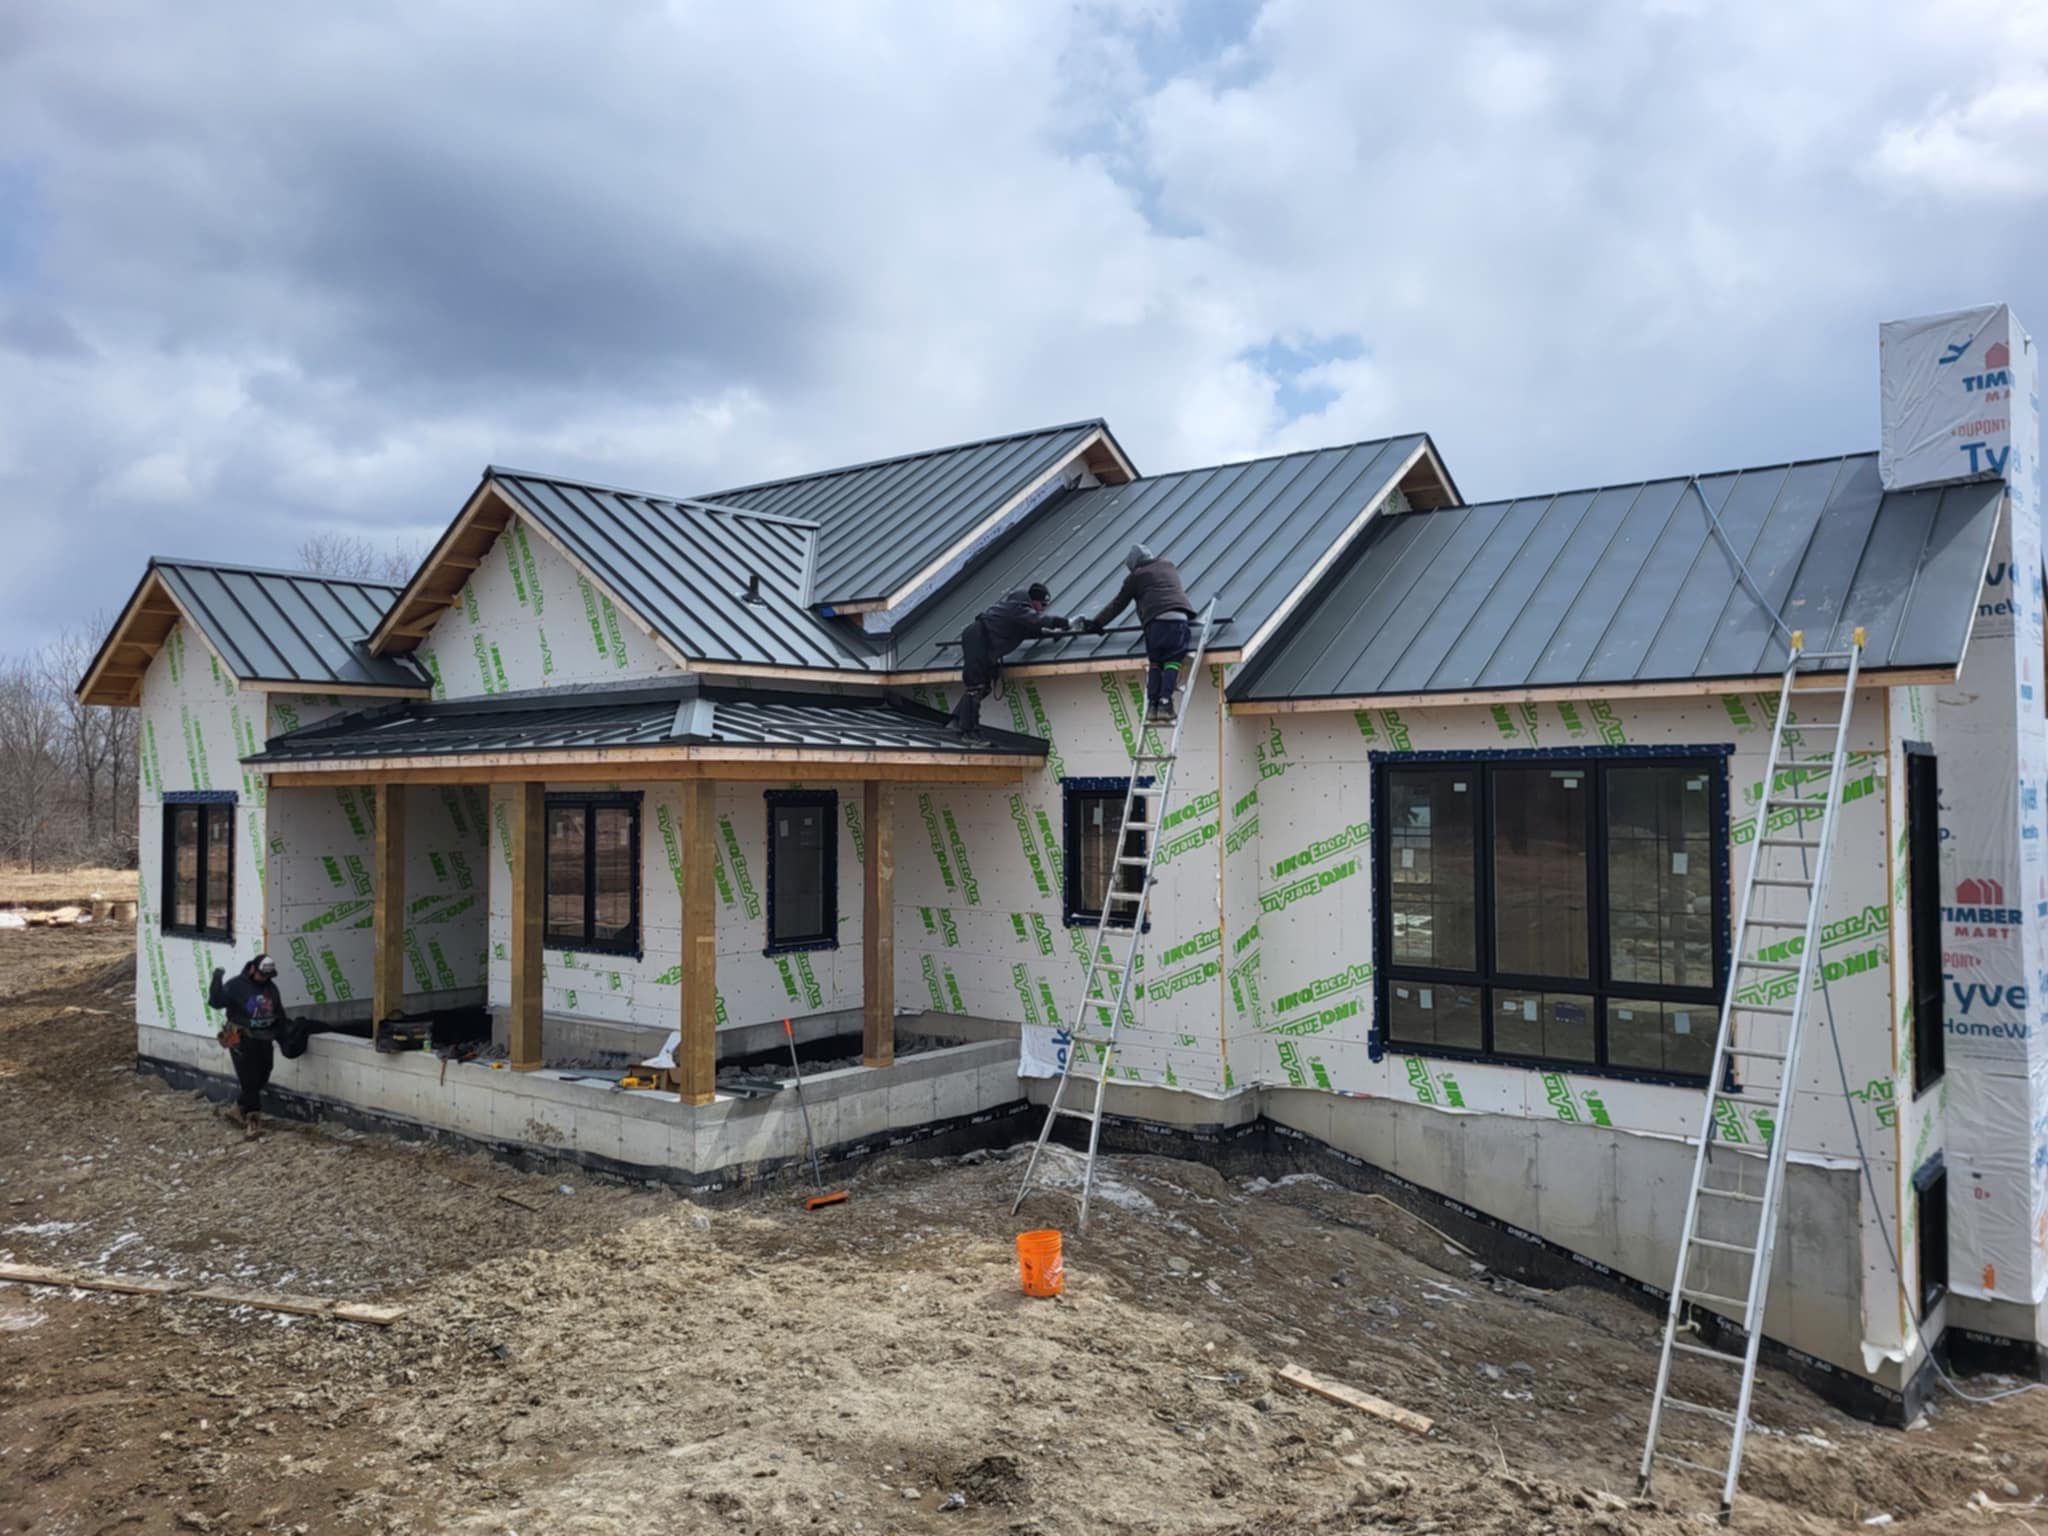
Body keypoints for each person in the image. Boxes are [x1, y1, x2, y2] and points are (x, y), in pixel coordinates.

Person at [1079, 544, 1197, 725]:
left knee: (1156, 663)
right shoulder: (1168, 566)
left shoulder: (1135, 578)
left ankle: (1153, 707)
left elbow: (1117, 605)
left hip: (1155, 623)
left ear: (1134, 564)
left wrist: (1096, 624)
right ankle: (1165, 703)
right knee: (1172, 661)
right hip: (1177, 619)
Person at [947, 582, 1070, 743]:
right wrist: (1064, 622)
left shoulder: (1020, 613)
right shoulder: (1018, 607)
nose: (1044, 608)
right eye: (1042, 604)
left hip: (984, 643)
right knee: (976, 686)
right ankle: (969, 733)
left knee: (983, 688)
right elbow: (1038, 620)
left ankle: (956, 721)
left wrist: (1054, 633)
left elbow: (1035, 629)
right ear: (1033, 601)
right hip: (978, 638)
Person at [208, 953, 291, 1139]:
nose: (264, 980)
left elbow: (278, 1012)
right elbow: (216, 1002)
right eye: (262, 975)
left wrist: (283, 1035)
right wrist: (217, 979)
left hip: (264, 1038)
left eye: (267, 977)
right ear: (253, 969)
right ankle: (253, 1120)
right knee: (250, 1079)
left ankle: (238, 1108)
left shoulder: (271, 988)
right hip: (242, 1038)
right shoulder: (236, 986)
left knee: (264, 1073)